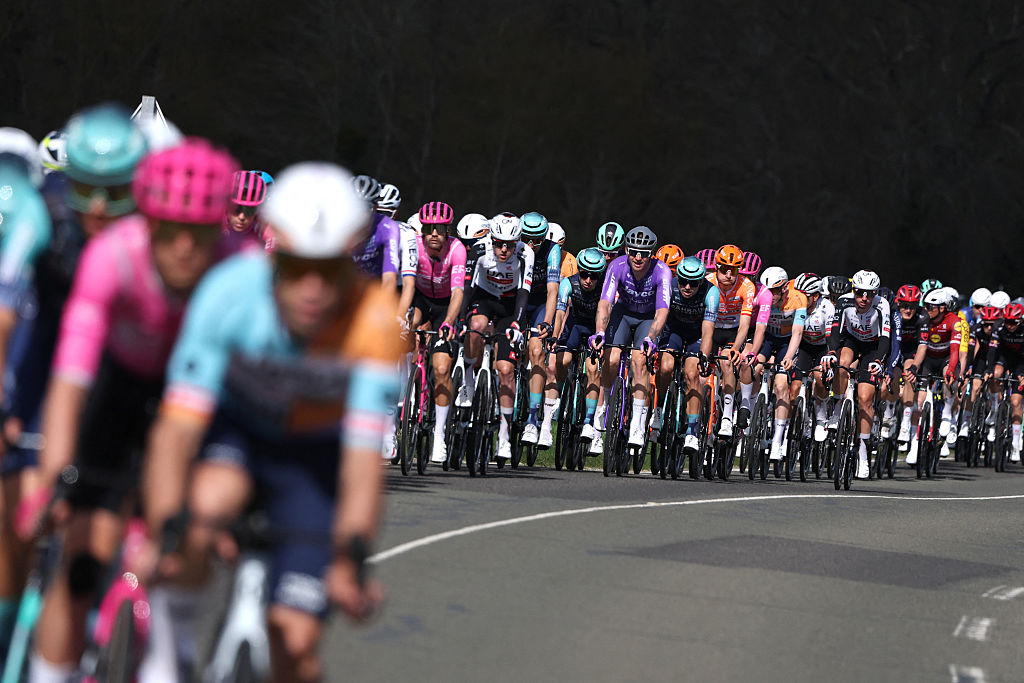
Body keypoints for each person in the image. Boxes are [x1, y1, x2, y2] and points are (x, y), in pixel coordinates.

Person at [135, 162, 401, 682]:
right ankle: (171, 654)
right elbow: (178, 428)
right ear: (273, 248)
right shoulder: (229, 291)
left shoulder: (374, 322)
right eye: (296, 268)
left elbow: (362, 462)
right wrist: (163, 527)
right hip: (238, 434)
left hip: (313, 458)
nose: (311, 289)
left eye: (329, 271)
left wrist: (351, 559)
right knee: (205, 506)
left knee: (296, 645)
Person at [24, 137, 239, 683]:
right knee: (81, 561)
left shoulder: (240, 269)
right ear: (146, 221)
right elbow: (71, 379)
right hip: (117, 390)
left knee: (184, 545)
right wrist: (52, 476)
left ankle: (170, 653)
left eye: (200, 233)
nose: (185, 248)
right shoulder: (112, 255)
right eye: (169, 230)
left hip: (199, 403)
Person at [461, 214, 535, 461]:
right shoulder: (479, 249)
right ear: (491, 239)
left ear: (517, 242)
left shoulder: (525, 253)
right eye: (499, 243)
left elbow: (524, 293)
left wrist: (517, 323)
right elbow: (468, 287)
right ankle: (468, 381)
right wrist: (461, 318)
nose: (504, 249)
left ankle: (504, 435)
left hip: (510, 307)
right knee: (476, 325)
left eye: (510, 245)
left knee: (505, 369)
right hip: (484, 298)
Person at [590, 226, 670, 448]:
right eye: (633, 252)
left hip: (648, 317)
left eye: (644, 253)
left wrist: (651, 338)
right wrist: (600, 331)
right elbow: (605, 303)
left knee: (639, 360)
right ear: (626, 250)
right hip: (623, 313)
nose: (638, 257)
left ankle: (637, 423)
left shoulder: (662, 270)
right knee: (612, 358)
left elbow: (662, 310)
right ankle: (603, 407)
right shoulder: (617, 265)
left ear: (651, 254)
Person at [408, 201, 465, 464]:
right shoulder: (414, 246)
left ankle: (439, 434)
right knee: (407, 332)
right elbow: (406, 283)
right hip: (420, 299)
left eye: (439, 229)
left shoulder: (457, 249)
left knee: (442, 369)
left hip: (445, 306)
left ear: (447, 231)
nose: (433, 233)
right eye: (428, 228)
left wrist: (449, 322)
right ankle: (405, 398)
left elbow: (458, 292)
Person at [821, 269, 891, 478]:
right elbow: (835, 330)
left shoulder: (882, 305)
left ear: (875, 293)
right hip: (851, 340)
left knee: (865, 399)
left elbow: (885, 338)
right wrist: (831, 352)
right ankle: (837, 407)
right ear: (854, 291)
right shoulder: (844, 301)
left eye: (870, 294)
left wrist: (879, 361)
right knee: (841, 363)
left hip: (873, 346)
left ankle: (862, 455)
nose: (864, 298)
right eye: (860, 293)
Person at [651, 256, 718, 453]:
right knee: (666, 367)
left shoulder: (711, 292)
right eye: (683, 281)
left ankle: (692, 431)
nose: (687, 287)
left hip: (697, 335)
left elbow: (708, 330)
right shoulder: (669, 286)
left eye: (693, 283)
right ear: (677, 278)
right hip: (673, 331)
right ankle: (659, 408)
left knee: (692, 374)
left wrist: (704, 356)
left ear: (701, 281)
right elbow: (659, 316)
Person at [553, 248, 607, 447]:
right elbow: (560, 313)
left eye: (593, 276)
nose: (588, 280)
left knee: (592, 369)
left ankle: (588, 421)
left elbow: (604, 314)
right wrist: (554, 336)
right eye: (584, 274)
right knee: (563, 360)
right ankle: (559, 397)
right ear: (579, 272)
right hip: (575, 324)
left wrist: (600, 336)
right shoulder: (568, 283)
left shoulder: (605, 287)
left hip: (595, 326)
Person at [516, 212, 561, 448]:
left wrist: (547, 322)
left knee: (536, 351)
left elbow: (553, 290)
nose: (532, 244)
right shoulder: (513, 245)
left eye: (537, 240)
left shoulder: (552, 250)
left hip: (540, 302)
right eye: (527, 239)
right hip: (516, 298)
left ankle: (533, 419)